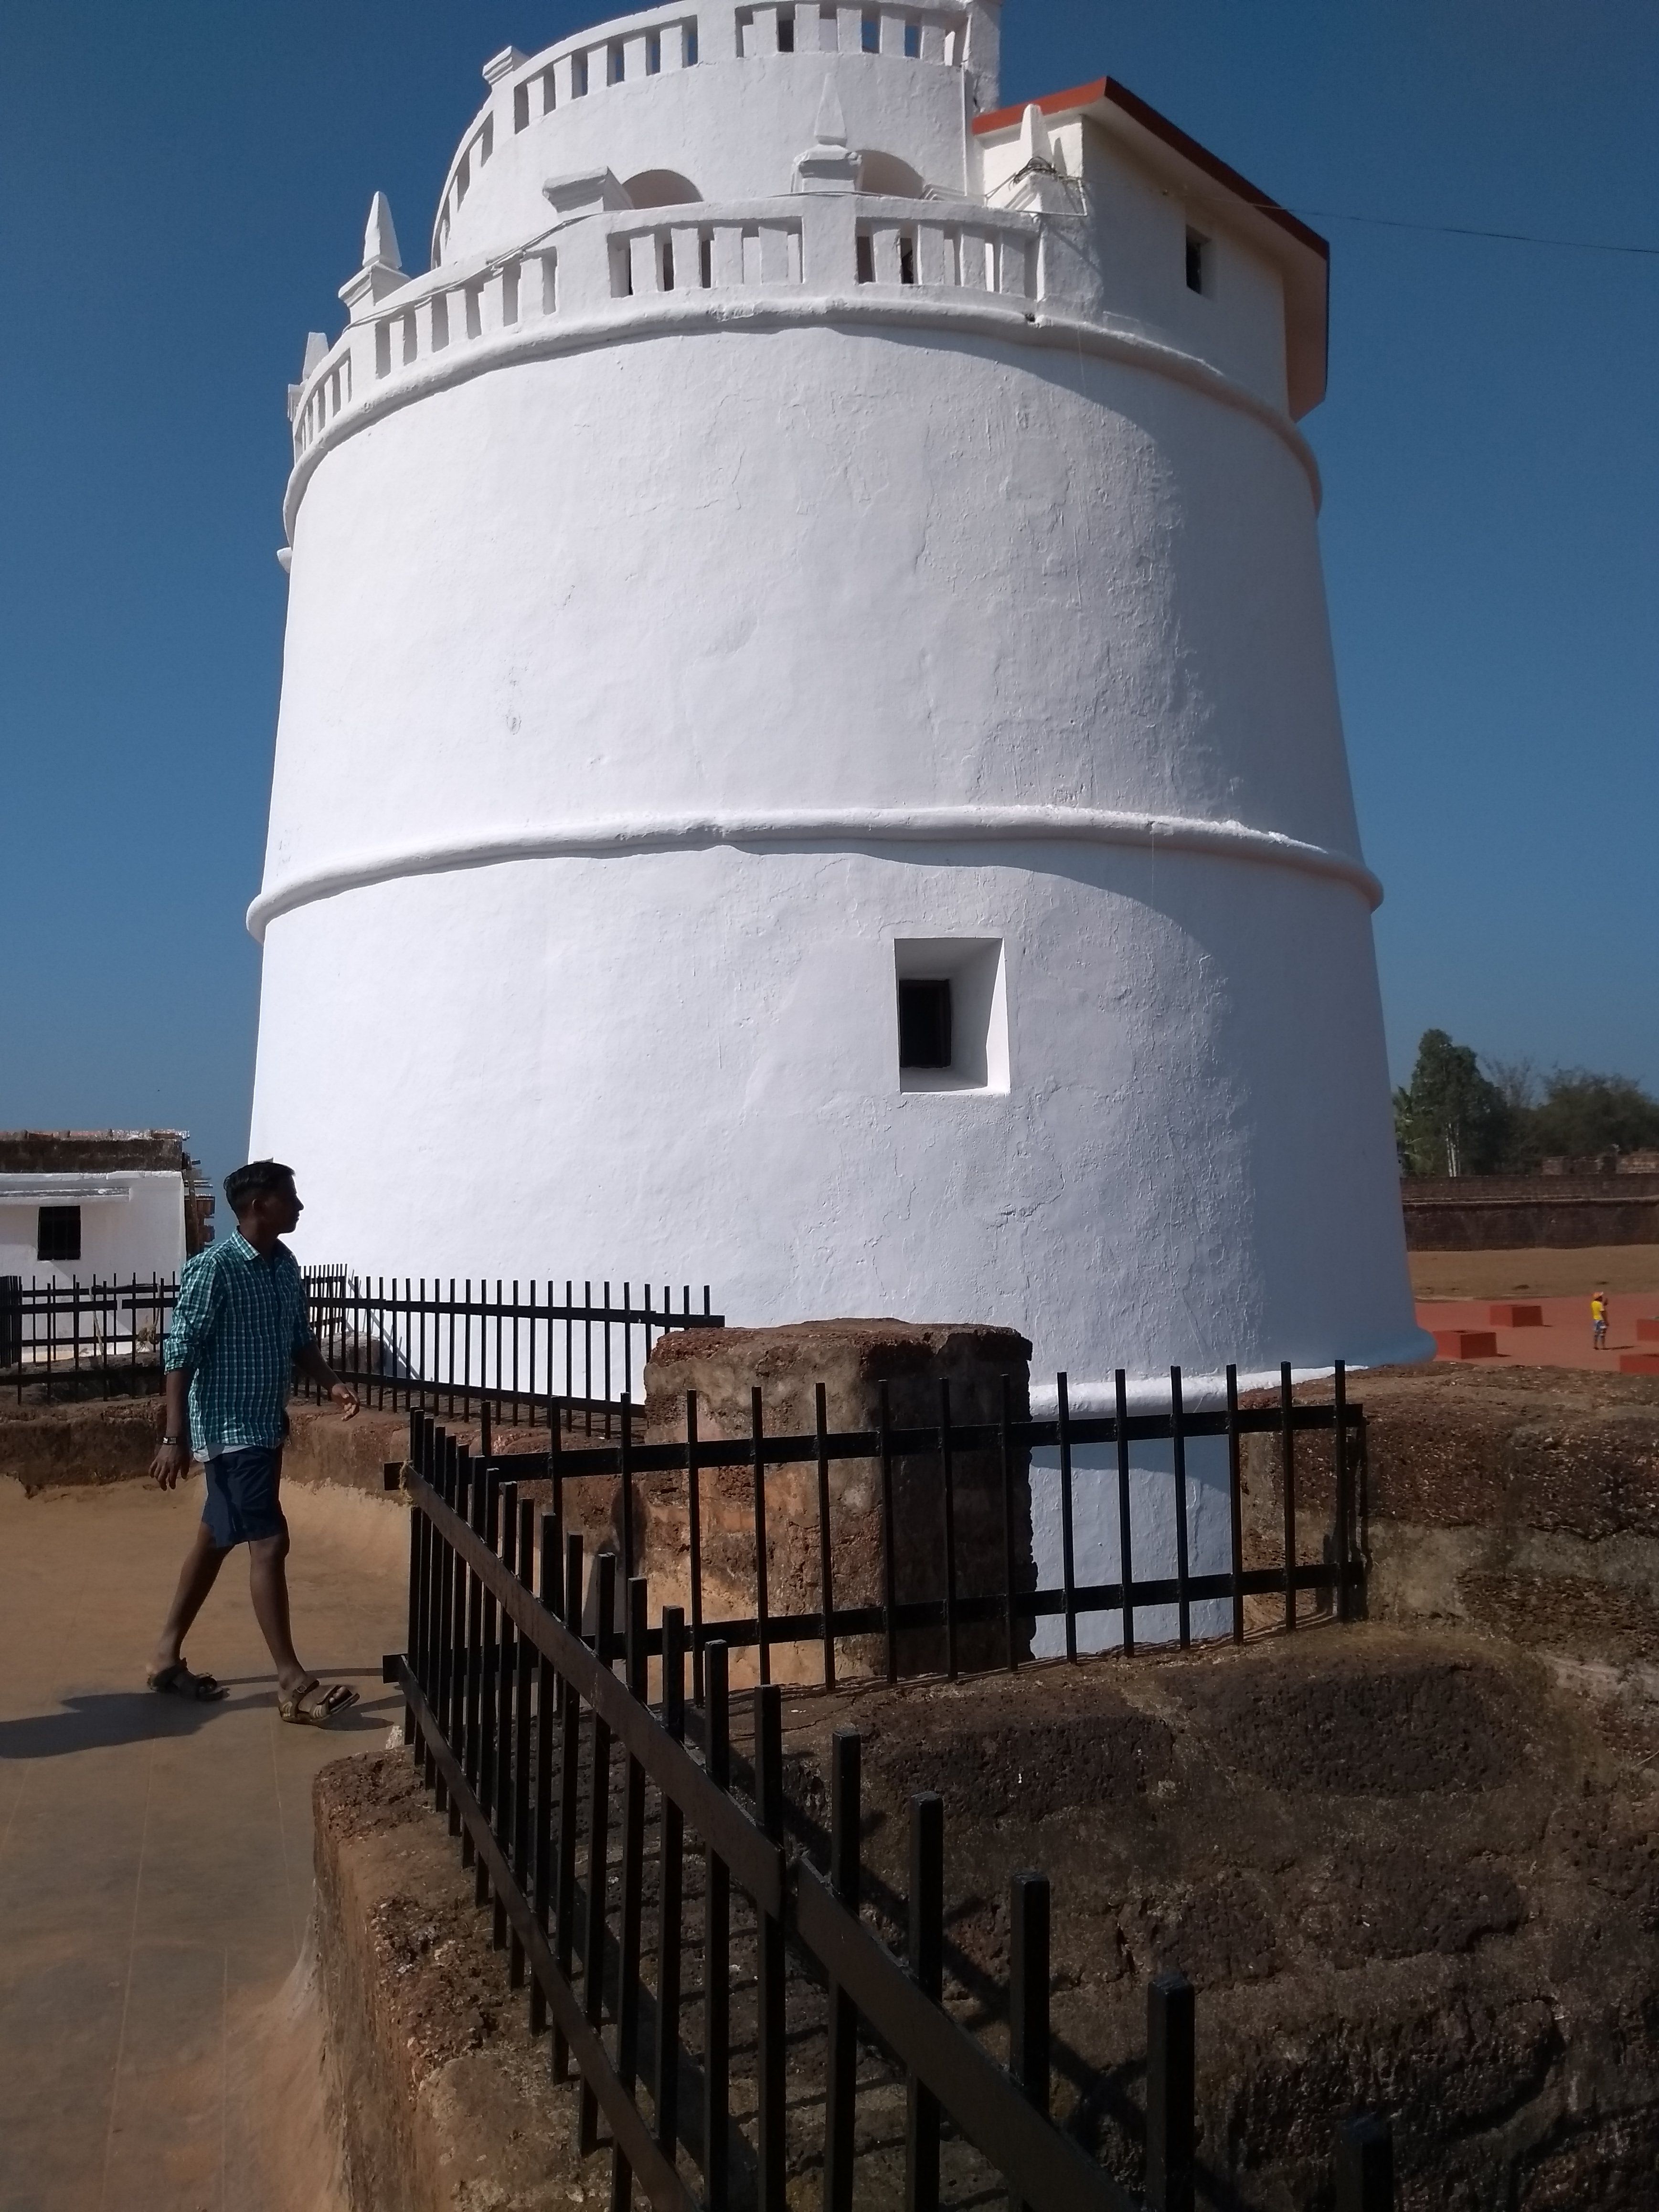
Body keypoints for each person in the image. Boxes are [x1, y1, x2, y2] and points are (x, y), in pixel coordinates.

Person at [147, 1158, 363, 1723]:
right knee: (269, 1543)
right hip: (229, 1431)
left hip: (265, 1425)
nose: (298, 1206)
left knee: (217, 1539)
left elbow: (300, 1339)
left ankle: (164, 1656)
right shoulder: (213, 1268)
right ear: (259, 1205)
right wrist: (174, 1436)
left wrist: (332, 1384)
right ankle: (292, 1683)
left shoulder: (284, 1265)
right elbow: (180, 1354)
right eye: (289, 1197)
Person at [1592, 1288, 1609, 1352]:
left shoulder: (1593, 1303)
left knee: (1596, 1334)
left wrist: (1604, 1304)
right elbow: (1602, 1312)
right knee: (1602, 1334)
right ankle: (1603, 1347)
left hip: (1596, 1320)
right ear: (1598, 1298)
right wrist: (1606, 1321)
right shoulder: (1600, 1304)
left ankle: (1595, 1346)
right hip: (1602, 1321)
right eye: (1601, 1297)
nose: (1602, 1297)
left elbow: (1599, 1307)